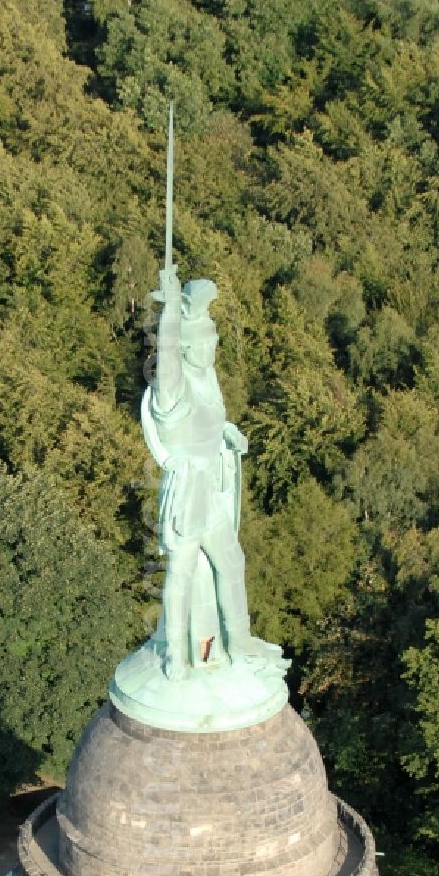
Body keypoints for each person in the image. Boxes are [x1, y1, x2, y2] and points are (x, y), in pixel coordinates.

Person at [143, 268, 283, 681]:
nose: (212, 350)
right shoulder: (174, 389)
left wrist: (226, 433)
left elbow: (207, 421)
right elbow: (165, 354)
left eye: (214, 342)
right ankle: (175, 655)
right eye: (204, 345)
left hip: (212, 489)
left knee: (232, 560)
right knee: (181, 573)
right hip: (189, 492)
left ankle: (239, 640)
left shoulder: (206, 377)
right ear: (186, 348)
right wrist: (169, 308)